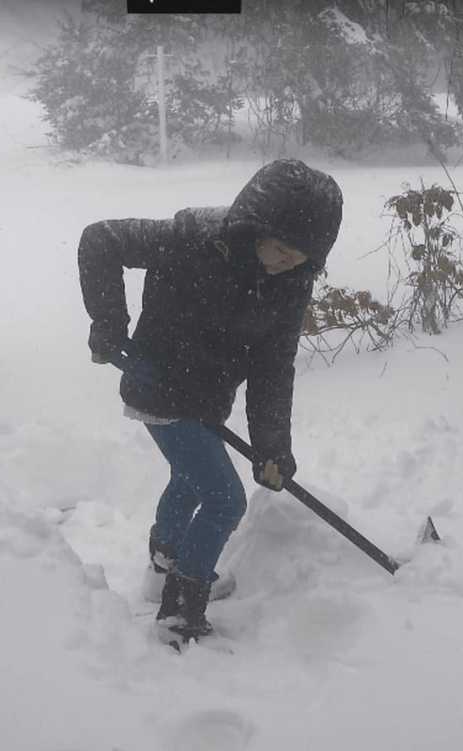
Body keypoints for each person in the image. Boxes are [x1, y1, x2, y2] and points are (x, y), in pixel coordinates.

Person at [78, 158, 343, 647]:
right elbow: (101, 239)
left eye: (300, 256)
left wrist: (271, 446)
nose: (286, 261)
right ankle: (181, 608)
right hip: (157, 387)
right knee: (224, 498)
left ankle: (165, 566)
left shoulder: (290, 284)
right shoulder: (190, 238)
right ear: (254, 226)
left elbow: (273, 368)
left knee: (190, 478)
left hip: (206, 401)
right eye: (280, 248)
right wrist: (110, 324)